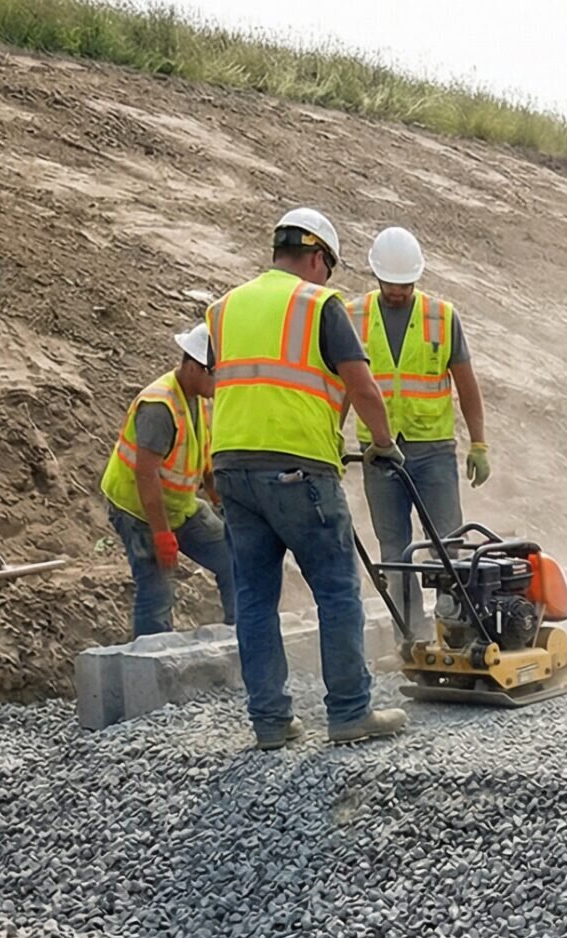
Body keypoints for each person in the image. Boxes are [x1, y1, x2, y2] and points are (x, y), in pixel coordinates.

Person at [206, 206, 409, 750]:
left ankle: (270, 723)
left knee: (254, 599)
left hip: (231, 466)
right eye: (330, 267)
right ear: (319, 258)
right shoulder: (319, 303)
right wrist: (384, 446)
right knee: (337, 589)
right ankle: (349, 712)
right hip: (298, 468)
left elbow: (231, 384)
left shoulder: (223, 308)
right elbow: (362, 387)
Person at [350, 226, 488, 629]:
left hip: (433, 450)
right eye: (390, 284)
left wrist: (479, 443)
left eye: (405, 284)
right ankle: (409, 634)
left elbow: (466, 384)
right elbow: (343, 385)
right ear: (376, 276)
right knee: (394, 548)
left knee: (447, 542)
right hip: (379, 452)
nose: (397, 292)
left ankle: (455, 625)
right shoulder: (352, 315)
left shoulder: (442, 317)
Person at [102, 323, 234, 639]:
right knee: (156, 589)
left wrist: (220, 502)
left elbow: (204, 459)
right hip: (137, 510)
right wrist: (162, 535)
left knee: (234, 560)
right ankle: (152, 665)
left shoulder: (200, 398)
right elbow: (145, 474)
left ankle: (242, 641)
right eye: (214, 373)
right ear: (192, 366)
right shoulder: (159, 407)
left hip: (180, 507)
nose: (218, 382)